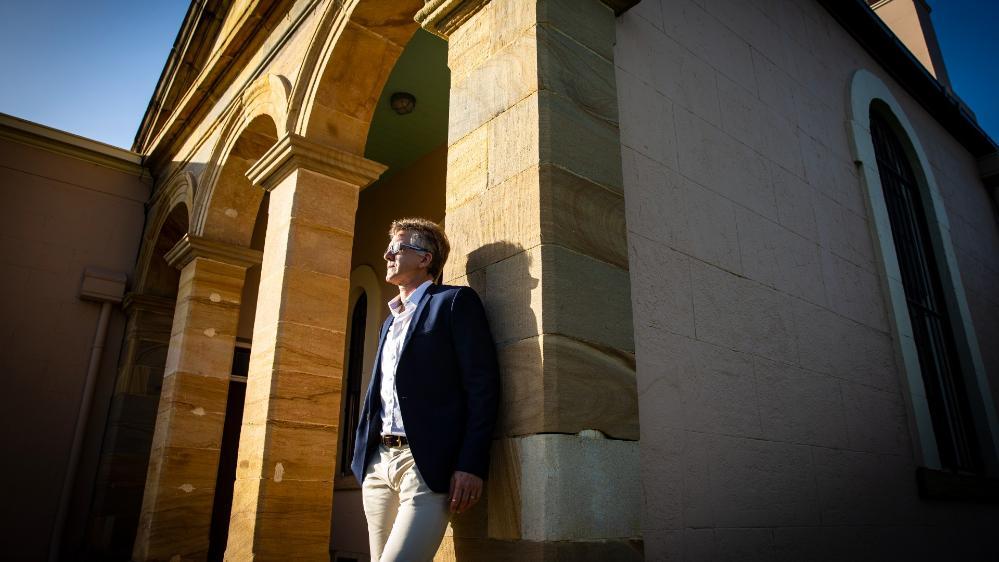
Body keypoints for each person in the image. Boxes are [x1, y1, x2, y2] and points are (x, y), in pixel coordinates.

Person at [351, 217, 500, 562]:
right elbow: (380, 391)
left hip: (425, 464)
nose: (387, 254)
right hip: (377, 465)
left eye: (397, 248)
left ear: (425, 258)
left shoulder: (453, 302)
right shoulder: (389, 321)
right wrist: (363, 457)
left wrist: (471, 463)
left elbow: (482, 386)